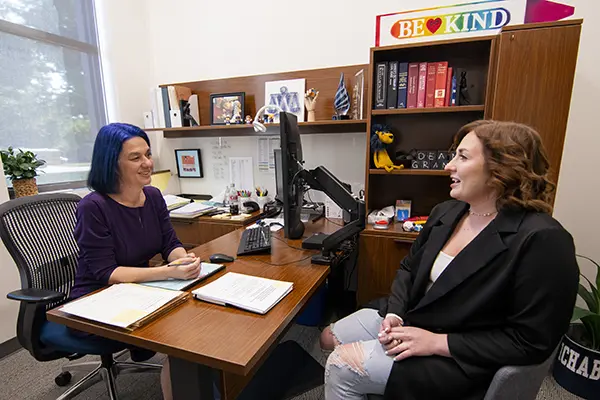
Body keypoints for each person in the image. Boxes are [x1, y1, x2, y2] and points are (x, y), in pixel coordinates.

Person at [320, 120, 579, 400]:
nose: (448, 166)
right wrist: (395, 314)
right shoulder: (446, 212)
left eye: (463, 157)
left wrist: (436, 342)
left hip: (463, 355)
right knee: (327, 338)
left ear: (502, 168)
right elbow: (409, 268)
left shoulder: (543, 240)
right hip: (414, 320)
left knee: (341, 364)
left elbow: (533, 342)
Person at [71, 123, 201, 400]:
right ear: (111, 163)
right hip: (97, 299)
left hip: (138, 289)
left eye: (148, 154)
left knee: (197, 314)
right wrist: (167, 272)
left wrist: (182, 260)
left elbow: (169, 243)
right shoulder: (93, 207)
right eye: (135, 158)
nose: (147, 164)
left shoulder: (153, 196)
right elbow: (107, 273)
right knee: (180, 335)